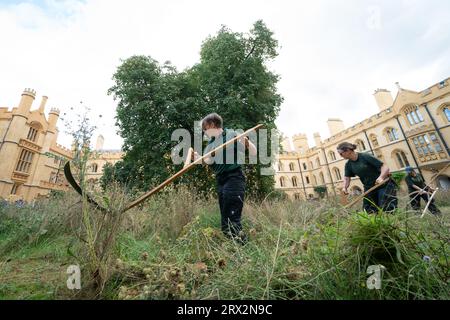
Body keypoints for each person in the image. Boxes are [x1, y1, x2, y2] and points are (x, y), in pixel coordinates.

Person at [193, 113, 257, 244]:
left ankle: (242, 249)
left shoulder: (231, 135)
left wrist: (246, 142)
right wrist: (199, 159)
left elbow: (253, 152)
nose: (204, 133)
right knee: (224, 217)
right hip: (221, 181)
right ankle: (231, 247)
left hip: (234, 177)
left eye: (205, 129)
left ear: (212, 125)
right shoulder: (209, 146)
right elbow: (208, 161)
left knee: (232, 216)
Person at [338, 142, 398, 213]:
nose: (340, 155)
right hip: (369, 188)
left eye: (341, 153)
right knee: (368, 210)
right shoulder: (348, 165)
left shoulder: (365, 156)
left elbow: (384, 167)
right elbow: (347, 178)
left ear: (348, 150)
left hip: (384, 185)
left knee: (386, 207)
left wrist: (381, 177)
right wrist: (344, 187)